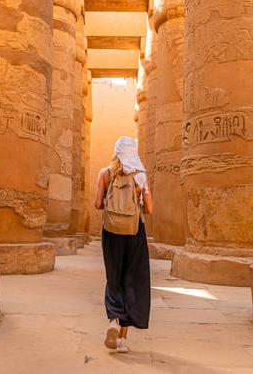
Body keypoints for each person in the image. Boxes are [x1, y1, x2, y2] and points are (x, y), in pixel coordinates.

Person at [94, 136, 153, 354]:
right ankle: (123, 340)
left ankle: (112, 320)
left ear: (116, 152)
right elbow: (150, 209)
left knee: (113, 277)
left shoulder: (105, 173)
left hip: (111, 231)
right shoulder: (140, 176)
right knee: (131, 280)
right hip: (134, 232)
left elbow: (98, 204)